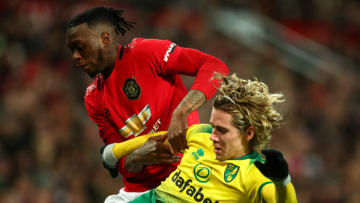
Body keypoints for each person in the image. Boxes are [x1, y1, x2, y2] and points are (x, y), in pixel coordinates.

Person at [65, 6, 229, 203]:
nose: (75, 56)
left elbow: (214, 67)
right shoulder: (93, 98)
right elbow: (121, 163)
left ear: (105, 39)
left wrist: (182, 111)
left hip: (190, 175)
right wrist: (137, 158)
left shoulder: (145, 52)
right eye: (72, 50)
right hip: (144, 189)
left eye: (80, 47)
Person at [102, 73, 297, 202]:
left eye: (222, 130)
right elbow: (160, 137)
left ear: (248, 133)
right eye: (213, 127)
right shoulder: (202, 133)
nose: (212, 136)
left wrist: (282, 181)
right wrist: (113, 152)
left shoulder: (254, 172)